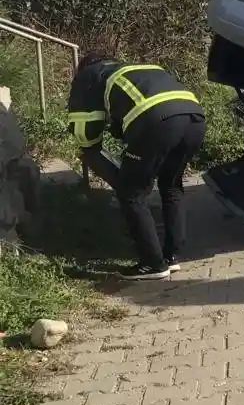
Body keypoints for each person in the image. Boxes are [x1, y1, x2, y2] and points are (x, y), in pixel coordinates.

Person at [66, 52, 206, 280]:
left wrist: (91, 153)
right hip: (194, 119)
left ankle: (152, 264)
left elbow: (84, 131)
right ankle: (171, 257)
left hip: (158, 122)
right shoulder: (136, 70)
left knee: (131, 193)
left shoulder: (91, 74)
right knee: (171, 186)